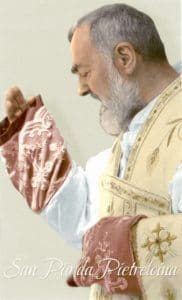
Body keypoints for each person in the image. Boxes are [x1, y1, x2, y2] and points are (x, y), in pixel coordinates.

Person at [0, 3, 182, 300]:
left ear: (125, 57)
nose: (81, 89)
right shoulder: (135, 133)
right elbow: (89, 220)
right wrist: (37, 148)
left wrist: (125, 241)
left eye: (84, 72)